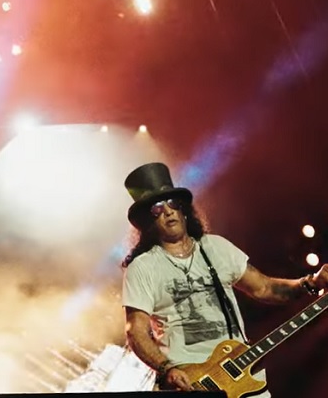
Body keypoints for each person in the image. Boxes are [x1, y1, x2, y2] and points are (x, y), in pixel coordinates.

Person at [120, 162, 326, 394]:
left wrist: (311, 282)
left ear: (183, 210)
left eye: (172, 203)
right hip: (190, 382)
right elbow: (135, 331)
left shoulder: (216, 247)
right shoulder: (142, 267)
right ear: (147, 221)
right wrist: (167, 369)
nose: (168, 211)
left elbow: (264, 288)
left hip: (243, 376)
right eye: (157, 208)